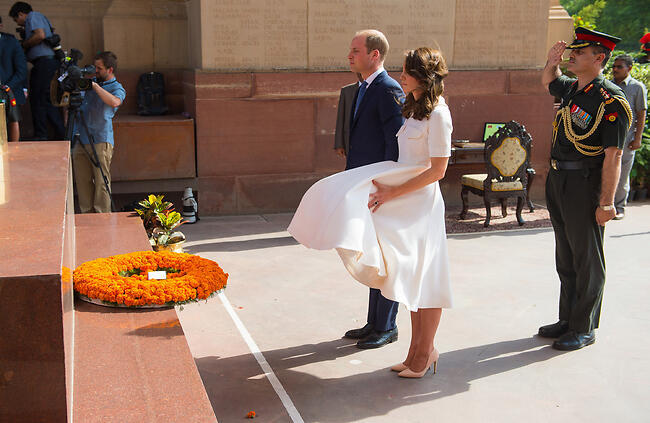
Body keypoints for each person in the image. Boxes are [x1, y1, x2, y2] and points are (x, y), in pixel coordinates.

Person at [289, 46, 453, 378]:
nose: (402, 76)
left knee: (426, 278)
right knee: (407, 276)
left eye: (407, 71)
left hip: (420, 206)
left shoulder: (439, 114)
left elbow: (437, 170)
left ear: (423, 75)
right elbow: (402, 160)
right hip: (401, 204)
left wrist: (392, 190)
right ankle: (415, 353)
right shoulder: (413, 111)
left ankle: (424, 353)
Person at [539, 27, 632, 351]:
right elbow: (549, 82)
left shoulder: (610, 101)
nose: (572, 55)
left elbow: (614, 156)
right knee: (566, 257)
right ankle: (567, 319)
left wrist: (607, 202)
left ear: (599, 58)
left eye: (580, 51)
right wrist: (551, 62)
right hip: (559, 180)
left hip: (584, 184)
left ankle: (584, 327)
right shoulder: (573, 90)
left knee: (587, 259)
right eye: (572, 50)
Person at [331, 30, 405, 349]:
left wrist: (386, 184)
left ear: (374, 55)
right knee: (373, 254)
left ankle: (387, 326)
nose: (349, 55)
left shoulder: (388, 89)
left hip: (381, 187)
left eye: (355, 50)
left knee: (387, 256)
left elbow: (394, 142)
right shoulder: (363, 87)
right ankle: (374, 322)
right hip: (364, 183)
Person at [71, 51, 125, 213]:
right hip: (80, 138)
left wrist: (94, 87)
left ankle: (102, 216)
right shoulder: (89, 82)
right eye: (94, 67)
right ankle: (86, 214)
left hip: (101, 139)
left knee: (102, 181)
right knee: (82, 181)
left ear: (109, 70)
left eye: (99, 68)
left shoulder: (116, 87)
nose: (95, 71)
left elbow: (115, 102)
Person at [9, 1, 65, 140]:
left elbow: (40, 35)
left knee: (39, 99)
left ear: (21, 14)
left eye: (17, 19)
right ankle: (59, 133)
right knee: (44, 99)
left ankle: (42, 134)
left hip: (44, 64)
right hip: (44, 64)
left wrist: (23, 45)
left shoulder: (33, 16)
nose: (18, 23)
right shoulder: (37, 18)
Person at [611, 55, 647, 219]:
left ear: (629, 68)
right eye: (614, 66)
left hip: (626, 139)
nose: (615, 69)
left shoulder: (637, 87)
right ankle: (606, 205)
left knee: (622, 174)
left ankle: (619, 207)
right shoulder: (608, 85)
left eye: (619, 67)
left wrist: (638, 138)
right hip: (607, 137)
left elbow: (641, 113)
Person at [0, 16, 27, 116]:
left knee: (12, 127)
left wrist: (6, 88)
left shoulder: (11, 42)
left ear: (1, 26)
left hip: (11, 94)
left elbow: (22, 70)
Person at [334, 73, 362, 158]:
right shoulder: (347, 91)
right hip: (349, 140)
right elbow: (341, 117)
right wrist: (339, 144)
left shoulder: (377, 89)